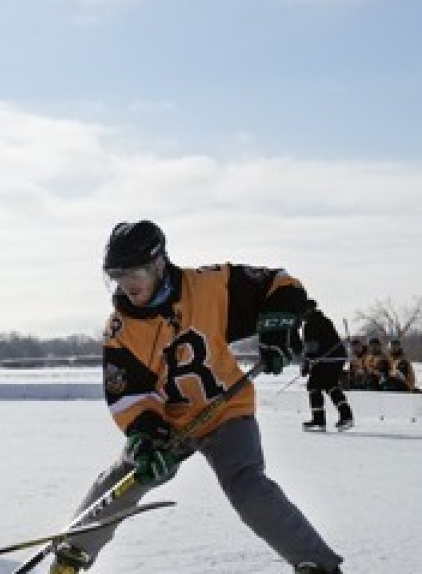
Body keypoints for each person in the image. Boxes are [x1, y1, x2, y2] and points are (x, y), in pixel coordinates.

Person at [47, 220, 343, 574]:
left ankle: (318, 564)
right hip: (169, 422)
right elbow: (128, 393)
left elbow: (279, 284)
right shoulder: (121, 330)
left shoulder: (209, 286)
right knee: (126, 476)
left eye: (135, 273)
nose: (127, 285)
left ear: (159, 263)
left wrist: (277, 326)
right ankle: (71, 554)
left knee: (248, 487)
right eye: (117, 275)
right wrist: (144, 437)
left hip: (226, 409)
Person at [300, 305, 355, 432]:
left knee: (313, 386)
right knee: (331, 386)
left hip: (327, 359)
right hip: (338, 357)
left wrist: (306, 364)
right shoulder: (324, 319)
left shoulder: (310, 324)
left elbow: (311, 347)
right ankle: (346, 416)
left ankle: (318, 421)